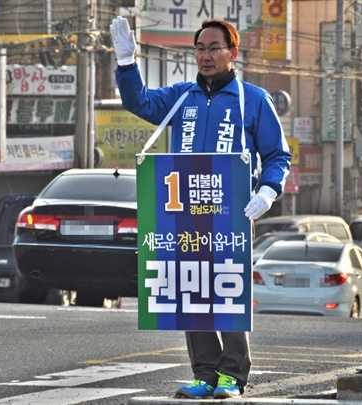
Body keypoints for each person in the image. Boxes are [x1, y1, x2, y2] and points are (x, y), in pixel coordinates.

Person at [110, 16, 292, 399]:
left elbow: (277, 155)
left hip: (233, 211)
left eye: (214, 48)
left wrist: (268, 191)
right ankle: (205, 374)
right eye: (200, 48)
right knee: (190, 289)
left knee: (227, 290)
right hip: (183, 209)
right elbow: (138, 101)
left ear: (233, 52)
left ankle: (233, 376)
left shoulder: (254, 99)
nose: (205, 56)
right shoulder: (181, 97)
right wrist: (126, 62)